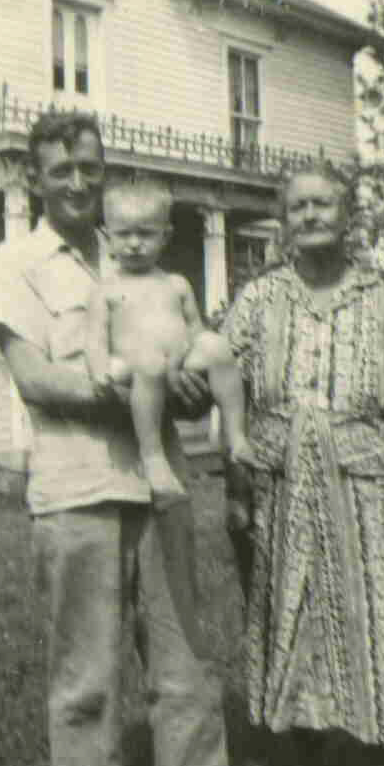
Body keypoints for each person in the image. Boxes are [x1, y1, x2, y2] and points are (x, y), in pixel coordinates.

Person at [0, 111, 230, 766]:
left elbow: (186, 349)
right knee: (87, 684)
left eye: (89, 166)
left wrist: (188, 387)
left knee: (185, 674)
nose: (77, 180)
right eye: (61, 169)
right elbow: (34, 377)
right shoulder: (16, 263)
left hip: (162, 489)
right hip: (77, 492)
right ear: (33, 178)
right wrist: (131, 395)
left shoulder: (132, 245)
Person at [223, 160, 384, 766]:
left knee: (377, 614)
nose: (311, 215)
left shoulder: (382, 301)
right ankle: (296, 754)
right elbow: (227, 385)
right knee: (286, 614)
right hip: (279, 483)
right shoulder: (260, 298)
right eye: (299, 207)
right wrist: (236, 490)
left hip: (364, 482)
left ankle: (382, 750)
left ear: (348, 217)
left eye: (324, 204)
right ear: (284, 219)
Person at [85, 176, 256, 522]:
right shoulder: (106, 289)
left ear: (165, 236)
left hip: (179, 365)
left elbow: (195, 329)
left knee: (217, 344)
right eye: (124, 234)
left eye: (145, 234)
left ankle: (236, 437)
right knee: (148, 360)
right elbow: (95, 338)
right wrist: (99, 370)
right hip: (134, 370)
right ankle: (153, 458)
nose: (134, 244)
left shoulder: (176, 284)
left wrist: (188, 357)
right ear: (107, 238)